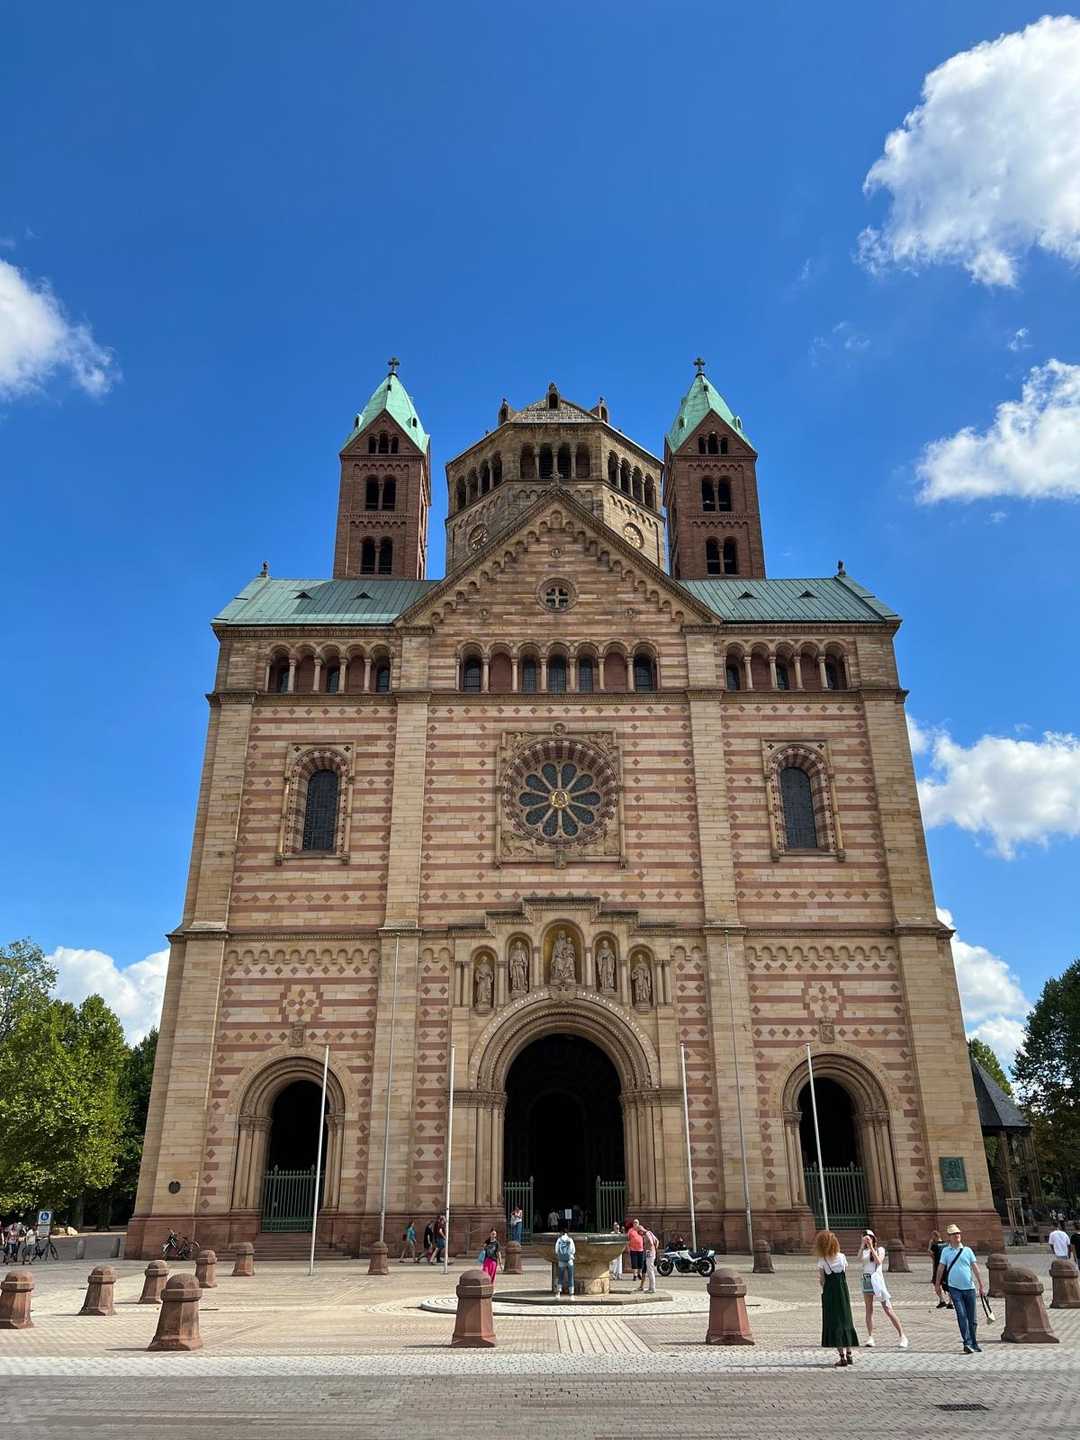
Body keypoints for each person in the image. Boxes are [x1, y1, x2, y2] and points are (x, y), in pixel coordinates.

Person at [934, 1222, 987, 1354]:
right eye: (954, 1234)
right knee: (962, 1315)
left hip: (969, 1288)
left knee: (972, 1319)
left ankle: (974, 1343)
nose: (957, 1235)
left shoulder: (967, 1250)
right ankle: (967, 1343)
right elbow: (941, 1268)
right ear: (949, 1237)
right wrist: (937, 1284)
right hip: (954, 1288)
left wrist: (981, 1284)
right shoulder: (946, 1251)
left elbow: (975, 1267)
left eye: (958, 1233)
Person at [815, 1230, 859, 1367]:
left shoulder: (822, 1260)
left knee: (834, 1322)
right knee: (846, 1319)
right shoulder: (842, 1257)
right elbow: (844, 1273)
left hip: (830, 1293)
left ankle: (842, 1357)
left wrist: (821, 1282)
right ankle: (849, 1353)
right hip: (843, 1292)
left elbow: (823, 1280)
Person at [858, 1229, 908, 1348]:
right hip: (866, 1279)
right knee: (869, 1310)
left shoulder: (880, 1249)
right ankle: (870, 1337)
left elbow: (879, 1261)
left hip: (877, 1281)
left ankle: (902, 1336)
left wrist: (871, 1247)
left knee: (887, 1309)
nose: (867, 1239)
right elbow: (859, 1258)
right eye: (865, 1237)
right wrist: (862, 1245)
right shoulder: (864, 1251)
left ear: (873, 1238)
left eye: (869, 1237)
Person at [928, 1230, 953, 1309]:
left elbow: (931, 1255)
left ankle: (942, 1300)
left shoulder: (934, 1245)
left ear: (935, 1236)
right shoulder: (946, 1244)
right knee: (949, 1285)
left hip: (938, 1267)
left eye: (932, 1236)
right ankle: (950, 1302)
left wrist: (930, 1244)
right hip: (947, 1267)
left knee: (936, 1283)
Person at [637, 1221, 659, 1294]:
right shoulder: (650, 1232)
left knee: (650, 1271)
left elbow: (651, 1242)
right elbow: (657, 1241)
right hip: (652, 1253)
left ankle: (652, 1288)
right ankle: (651, 1287)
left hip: (649, 1253)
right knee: (650, 1270)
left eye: (639, 1232)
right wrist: (655, 1249)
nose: (640, 1234)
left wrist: (648, 1249)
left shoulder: (646, 1234)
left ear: (641, 1230)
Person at [554, 1228, 575, 1297]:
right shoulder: (570, 1240)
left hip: (561, 1261)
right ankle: (571, 1294)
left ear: (561, 1233)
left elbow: (556, 1250)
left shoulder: (559, 1240)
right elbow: (573, 1250)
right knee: (570, 1277)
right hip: (569, 1260)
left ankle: (558, 1293)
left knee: (560, 1277)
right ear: (567, 1233)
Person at [626, 1217, 645, 1281]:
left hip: (640, 1249)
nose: (635, 1223)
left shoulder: (641, 1229)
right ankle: (635, 1275)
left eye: (636, 1222)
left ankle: (639, 1274)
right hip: (633, 1249)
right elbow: (627, 1239)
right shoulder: (630, 1230)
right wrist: (628, 1248)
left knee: (640, 1263)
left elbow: (645, 1236)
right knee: (634, 1263)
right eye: (634, 1222)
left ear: (638, 1223)